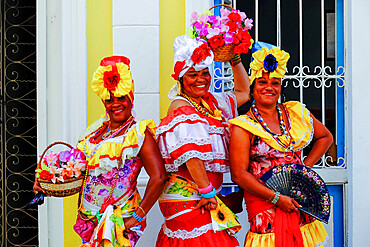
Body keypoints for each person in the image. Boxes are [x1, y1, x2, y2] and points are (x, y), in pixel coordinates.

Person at [34, 56, 167, 247]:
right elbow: (76, 171)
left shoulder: (138, 134)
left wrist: (138, 216)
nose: (115, 104)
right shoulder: (95, 131)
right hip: (88, 218)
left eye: (121, 98)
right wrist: (46, 182)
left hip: (117, 220)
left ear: (131, 99)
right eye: (109, 99)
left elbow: (159, 176)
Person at [229, 45, 333, 246]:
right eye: (262, 82)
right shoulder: (243, 126)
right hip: (263, 201)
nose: (269, 87)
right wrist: (276, 198)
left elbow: (325, 137)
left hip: (296, 198)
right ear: (252, 87)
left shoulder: (295, 113)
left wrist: (304, 169)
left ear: (281, 87)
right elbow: (239, 175)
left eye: (275, 83)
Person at [155, 35, 250, 246]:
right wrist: (207, 192)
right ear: (180, 78)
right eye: (192, 74)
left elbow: (244, 92)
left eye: (204, 73)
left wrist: (234, 58)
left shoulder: (211, 103)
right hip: (192, 198)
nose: (201, 79)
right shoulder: (181, 105)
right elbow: (191, 154)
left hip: (202, 195)